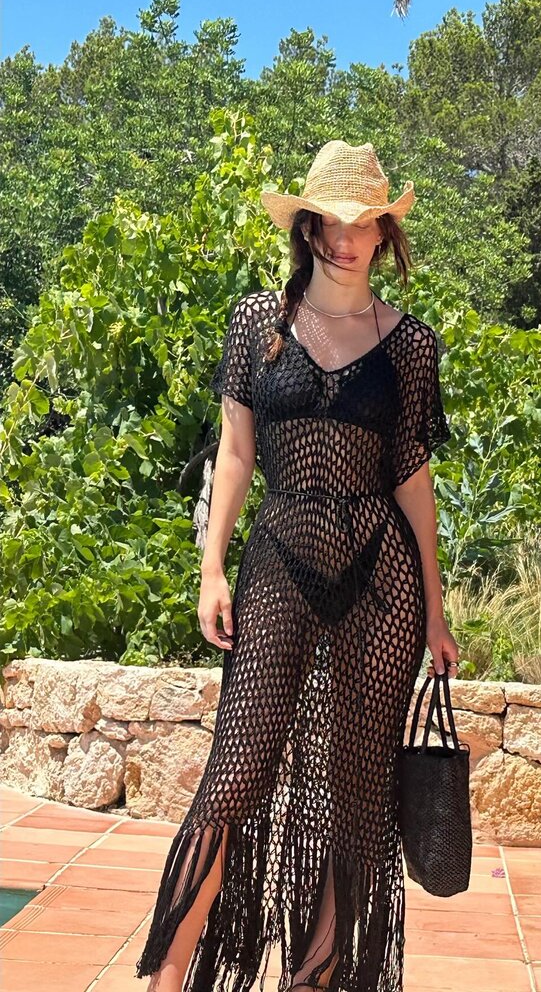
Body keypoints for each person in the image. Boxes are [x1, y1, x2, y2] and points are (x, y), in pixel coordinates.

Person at [135, 139, 459, 992]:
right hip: (279, 557)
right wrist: (211, 568)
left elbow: (413, 480)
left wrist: (435, 609)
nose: (346, 241)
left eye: (363, 224)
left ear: (385, 233)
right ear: (307, 227)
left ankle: (314, 978)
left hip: (382, 574)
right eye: (330, 223)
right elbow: (235, 453)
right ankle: (168, 977)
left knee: (357, 794)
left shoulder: (409, 344)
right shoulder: (259, 323)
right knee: (235, 773)